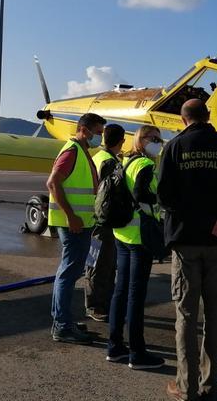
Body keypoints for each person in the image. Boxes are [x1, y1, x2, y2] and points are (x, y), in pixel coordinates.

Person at [157, 99, 217, 401]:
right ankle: (210, 385)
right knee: (216, 315)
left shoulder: (175, 147)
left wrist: (202, 223)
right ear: (209, 116)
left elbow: (165, 196)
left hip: (187, 241)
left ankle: (186, 386)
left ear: (182, 119)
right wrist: (216, 223)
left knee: (187, 315)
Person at [106, 125, 167, 370]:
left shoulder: (127, 161)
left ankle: (115, 346)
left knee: (120, 291)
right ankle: (137, 353)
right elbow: (142, 194)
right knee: (136, 295)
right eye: (154, 138)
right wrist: (162, 197)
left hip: (122, 233)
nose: (159, 142)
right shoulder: (145, 165)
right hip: (140, 236)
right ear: (141, 140)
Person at [47, 112, 107, 344]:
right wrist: (71, 216)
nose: (99, 138)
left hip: (80, 223)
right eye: (97, 133)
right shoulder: (72, 151)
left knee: (68, 272)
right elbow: (53, 183)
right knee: (68, 273)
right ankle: (62, 325)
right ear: (84, 129)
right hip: (74, 225)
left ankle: (62, 320)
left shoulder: (81, 152)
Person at [85, 123, 127, 322]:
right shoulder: (110, 162)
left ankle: (101, 302)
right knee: (101, 265)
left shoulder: (96, 157)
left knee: (100, 264)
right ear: (121, 141)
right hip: (104, 222)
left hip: (95, 219)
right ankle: (95, 305)